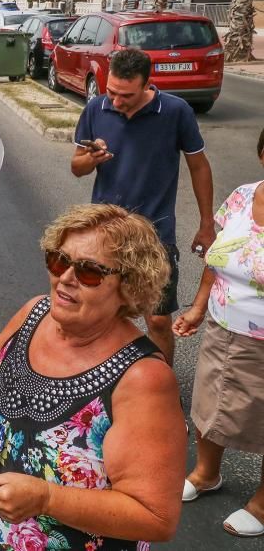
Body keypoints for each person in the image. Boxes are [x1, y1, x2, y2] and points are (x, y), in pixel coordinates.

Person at [0, 203, 186, 549]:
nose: (65, 277)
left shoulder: (143, 379)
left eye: (90, 271)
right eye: (59, 260)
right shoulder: (35, 313)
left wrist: (47, 498)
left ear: (129, 287)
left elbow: (155, 516)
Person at [71, 48, 214, 365]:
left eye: (127, 95)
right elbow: (76, 167)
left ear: (148, 84)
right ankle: (100, 382)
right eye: (112, 92)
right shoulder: (96, 109)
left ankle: (161, 385)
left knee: (158, 320)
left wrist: (206, 224)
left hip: (156, 234)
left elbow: (199, 167)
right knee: (98, 312)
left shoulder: (176, 112)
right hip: (105, 233)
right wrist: (89, 159)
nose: (117, 102)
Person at [173, 127, 264, 538]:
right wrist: (196, 307)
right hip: (222, 326)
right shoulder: (244, 196)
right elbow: (217, 257)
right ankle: (207, 473)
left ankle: (263, 503)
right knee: (209, 404)